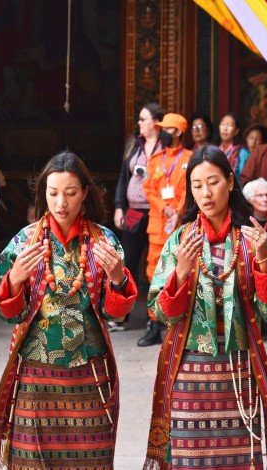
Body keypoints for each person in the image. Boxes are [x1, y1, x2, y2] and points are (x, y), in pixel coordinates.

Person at [0, 151, 137, 469]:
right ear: (43, 195)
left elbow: (116, 315)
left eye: (70, 193)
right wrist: (15, 279)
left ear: (85, 195)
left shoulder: (103, 241)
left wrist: (119, 279)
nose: (61, 203)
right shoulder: (25, 242)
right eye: (53, 194)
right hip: (35, 377)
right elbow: (4, 311)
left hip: (88, 376)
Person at [144, 145, 267, 469]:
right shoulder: (180, 240)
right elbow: (159, 312)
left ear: (230, 181)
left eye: (213, 182)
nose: (205, 193)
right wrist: (180, 272)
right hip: (188, 375)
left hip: (238, 373)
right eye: (197, 185)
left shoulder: (252, 240)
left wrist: (265, 259)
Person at [141, 113, 193, 346]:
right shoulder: (155, 160)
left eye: (166, 129)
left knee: (180, 271)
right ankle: (154, 323)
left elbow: (191, 189)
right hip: (158, 224)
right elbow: (149, 189)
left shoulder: (189, 159)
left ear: (178, 132)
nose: (161, 132)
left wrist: (178, 210)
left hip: (180, 226)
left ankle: (177, 321)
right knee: (153, 273)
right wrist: (165, 208)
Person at [113, 103, 164, 329]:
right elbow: (124, 177)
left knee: (157, 263)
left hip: (157, 212)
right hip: (133, 210)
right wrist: (118, 206)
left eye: (144, 119)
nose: (140, 123)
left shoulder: (167, 146)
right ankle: (120, 314)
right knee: (128, 262)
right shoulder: (135, 144)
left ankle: (155, 317)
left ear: (156, 122)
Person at [217, 112, 247, 177]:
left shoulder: (242, 152)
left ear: (236, 131)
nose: (225, 129)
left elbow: (244, 177)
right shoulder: (215, 151)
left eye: (229, 125)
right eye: (222, 124)